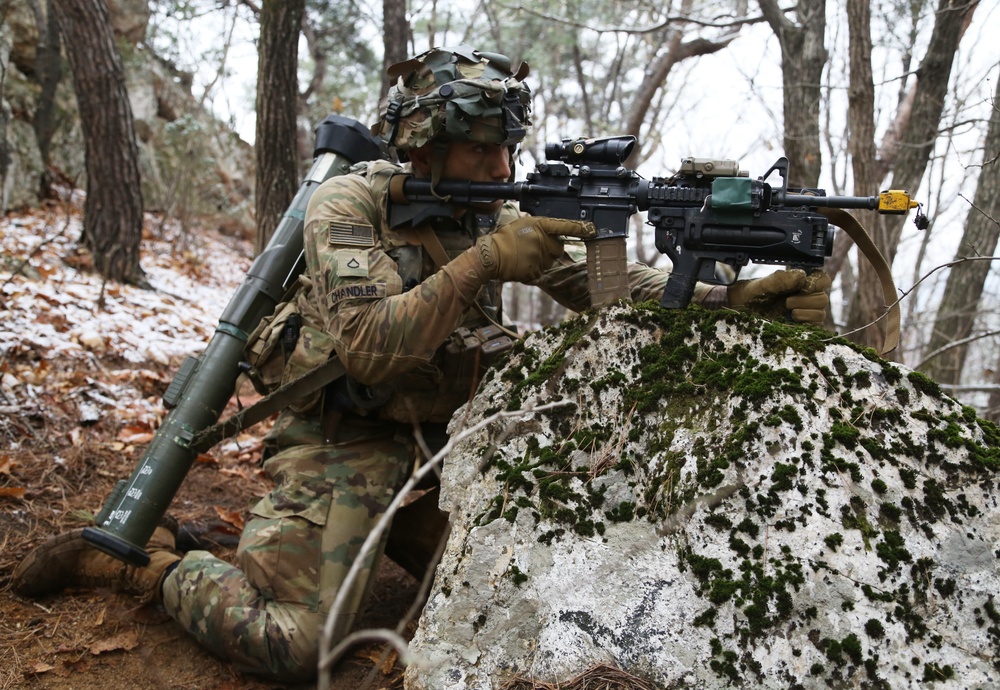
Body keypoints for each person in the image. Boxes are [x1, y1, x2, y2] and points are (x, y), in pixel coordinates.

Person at [11, 45, 831, 681]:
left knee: (518, 593)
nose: (503, 171)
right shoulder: (351, 206)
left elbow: (598, 286)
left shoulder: (491, 212)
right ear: (428, 147)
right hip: (344, 442)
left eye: (507, 150)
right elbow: (368, 348)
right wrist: (486, 264)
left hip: (444, 453)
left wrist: (735, 300)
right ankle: (146, 566)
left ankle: (323, 542)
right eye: (483, 153)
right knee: (301, 645)